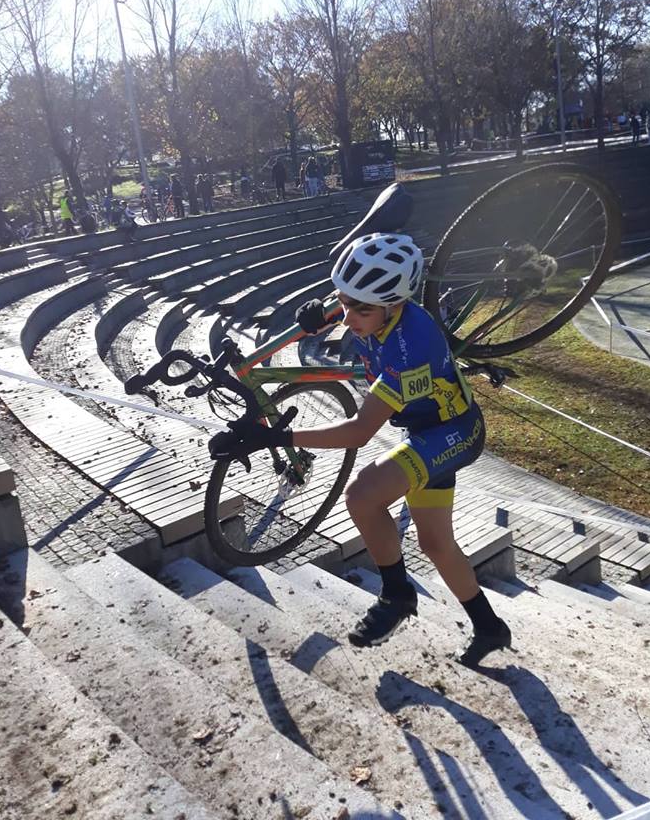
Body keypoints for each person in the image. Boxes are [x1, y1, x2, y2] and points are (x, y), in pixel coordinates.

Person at [209, 233, 511, 667]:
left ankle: (396, 594)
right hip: (429, 431)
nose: (349, 316)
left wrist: (277, 438)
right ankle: (489, 627)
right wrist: (324, 308)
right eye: (345, 301)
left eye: (360, 309)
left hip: (454, 433)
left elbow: (359, 431)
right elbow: (353, 303)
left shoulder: (412, 349)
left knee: (362, 494)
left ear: (393, 305)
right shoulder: (378, 308)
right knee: (436, 544)